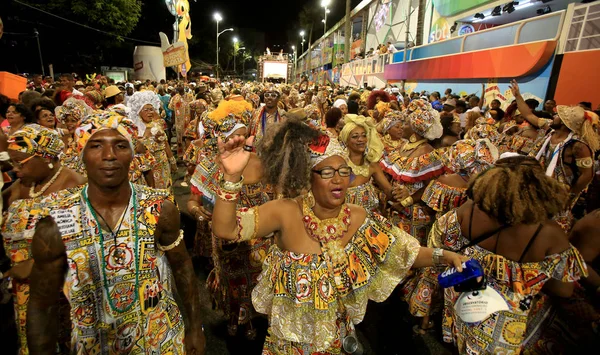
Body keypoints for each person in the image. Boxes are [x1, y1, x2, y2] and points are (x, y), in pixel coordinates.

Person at [211, 118, 466, 354]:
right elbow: (226, 230)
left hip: (338, 341)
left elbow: (404, 251)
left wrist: (443, 256)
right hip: (289, 344)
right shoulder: (285, 211)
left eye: (344, 172)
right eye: (327, 172)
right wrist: (232, 178)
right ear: (307, 177)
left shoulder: (358, 217)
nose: (338, 180)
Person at [26, 112, 206, 354]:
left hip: (160, 338)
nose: (109, 156)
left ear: (132, 154)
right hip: (95, 345)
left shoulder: (159, 209)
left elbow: (182, 267)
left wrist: (195, 327)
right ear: (82, 155)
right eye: (96, 146)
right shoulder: (56, 222)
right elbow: (41, 304)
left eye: (120, 146)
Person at [435, 156, 586, 354]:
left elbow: (445, 243)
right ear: (540, 186)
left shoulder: (468, 210)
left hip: (464, 299)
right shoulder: (549, 233)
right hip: (502, 324)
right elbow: (563, 290)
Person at [2, 125, 85, 354]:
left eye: (22, 162)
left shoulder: (75, 187)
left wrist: (35, 266)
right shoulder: (21, 185)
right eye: (13, 162)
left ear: (46, 157)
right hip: (21, 288)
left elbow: (86, 240)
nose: (16, 169)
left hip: (60, 287)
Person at [406, 139, 498, 335]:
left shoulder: (444, 181)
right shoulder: (484, 189)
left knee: (433, 272)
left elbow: (428, 206)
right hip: (468, 239)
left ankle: (424, 321)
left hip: (443, 234)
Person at [510, 80, 599, 230]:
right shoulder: (549, 128)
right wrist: (518, 96)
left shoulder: (578, 146)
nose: (554, 116)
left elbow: (587, 174)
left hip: (557, 192)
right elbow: (528, 114)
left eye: (558, 116)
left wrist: (570, 195)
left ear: (565, 123)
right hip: (538, 183)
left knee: (548, 226)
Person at [381, 99, 445, 245]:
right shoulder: (405, 146)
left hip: (415, 214)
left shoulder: (427, 151)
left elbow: (433, 187)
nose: (402, 127)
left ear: (416, 128)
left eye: (406, 124)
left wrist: (407, 201)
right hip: (397, 210)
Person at [339, 114, 394, 212]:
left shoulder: (372, 165)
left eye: (363, 135)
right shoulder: (340, 164)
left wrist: (400, 194)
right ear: (346, 140)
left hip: (370, 219)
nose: (361, 139)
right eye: (355, 136)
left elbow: (388, 190)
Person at [128, 91, 176, 190]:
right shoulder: (134, 129)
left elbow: (165, 143)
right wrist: (146, 135)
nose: (151, 112)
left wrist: (172, 161)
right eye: (146, 110)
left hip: (163, 165)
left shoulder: (157, 124)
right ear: (138, 111)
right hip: (147, 170)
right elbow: (135, 150)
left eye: (152, 109)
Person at [54, 97, 93, 174]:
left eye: (73, 121)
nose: (69, 124)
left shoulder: (86, 141)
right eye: (67, 121)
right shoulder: (66, 140)